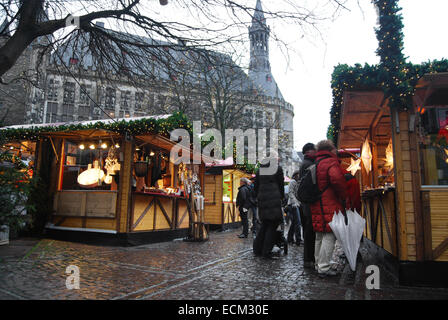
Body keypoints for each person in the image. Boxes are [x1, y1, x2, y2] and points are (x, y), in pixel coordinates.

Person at [310, 140, 347, 277]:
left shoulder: (316, 163)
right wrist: (343, 196)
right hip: (328, 203)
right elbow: (337, 180)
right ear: (331, 150)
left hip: (316, 203)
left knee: (319, 235)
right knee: (329, 234)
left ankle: (318, 264)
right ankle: (324, 268)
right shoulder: (331, 162)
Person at [253, 153, 285, 259]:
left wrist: (258, 197)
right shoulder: (277, 169)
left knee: (265, 225)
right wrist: (282, 197)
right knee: (272, 225)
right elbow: (281, 185)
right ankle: (266, 252)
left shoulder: (259, 171)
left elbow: (255, 187)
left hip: (262, 200)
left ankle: (257, 249)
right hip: (274, 201)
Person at [298, 142, 317, 269]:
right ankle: (309, 259)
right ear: (308, 152)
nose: (316, 152)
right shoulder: (308, 165)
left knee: (308, 230)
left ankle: (309, 258)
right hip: (309, 203)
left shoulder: (306, 163)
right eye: (314, 150)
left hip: (305, 203)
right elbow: (310, 185)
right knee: (310, 231)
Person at [286, 170, 302, 246]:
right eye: (298, 175)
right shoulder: (292, 182)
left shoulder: (297, 182)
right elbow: (290, 193)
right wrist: (295, 202)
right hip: (292, 205)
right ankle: (298, 239)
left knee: (294, 223)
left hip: (296, 204)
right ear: (295, 175)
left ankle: (289, 239)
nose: (299, 176)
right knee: (297, 222)